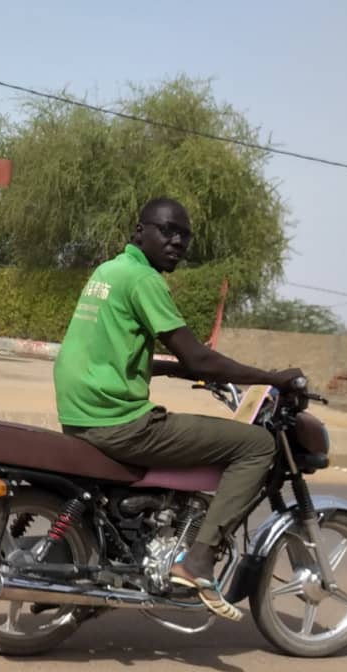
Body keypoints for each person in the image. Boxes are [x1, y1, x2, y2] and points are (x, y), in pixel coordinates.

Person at [53, 197, 305, 620]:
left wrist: (173, 371)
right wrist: (272, 377)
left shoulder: (109, 272)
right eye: (167, 231)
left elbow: (117, 350)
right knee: (257, 445)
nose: (177, 242)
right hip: (119, 423)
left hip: (83, 414)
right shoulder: (144, 280)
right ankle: (199, 560)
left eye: (184, 235)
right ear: (140, 232)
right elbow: (200, 357)